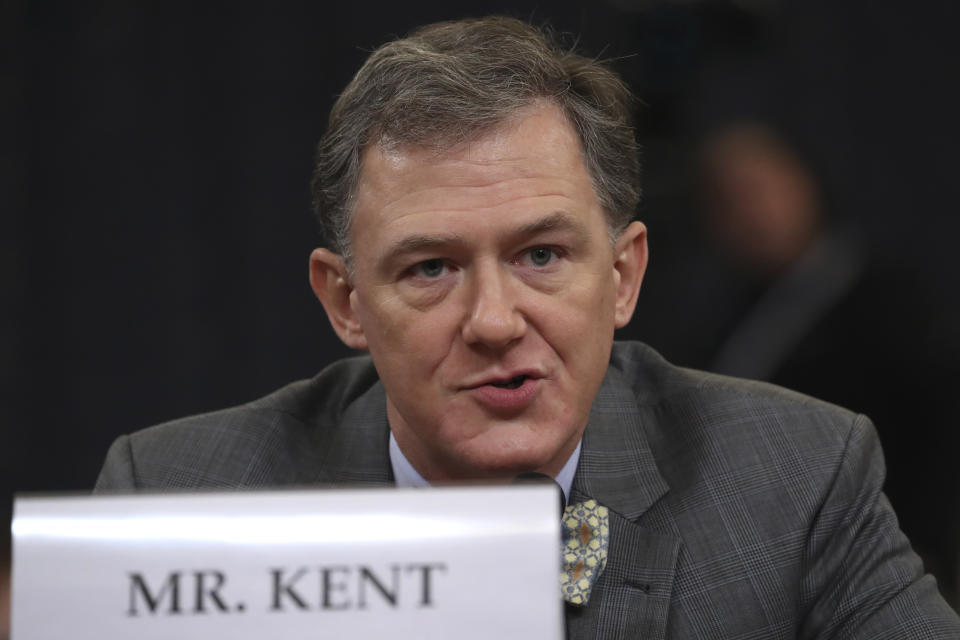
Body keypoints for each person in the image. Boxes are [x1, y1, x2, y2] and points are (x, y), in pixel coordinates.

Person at [95, 16, 960, 637]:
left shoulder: (793, 480)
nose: (495, 322)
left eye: (541, 256)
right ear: (345, 302)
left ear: (622, 277)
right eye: (430, 268)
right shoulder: (177, 498)